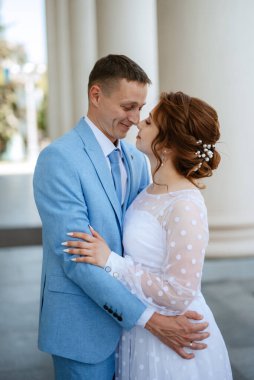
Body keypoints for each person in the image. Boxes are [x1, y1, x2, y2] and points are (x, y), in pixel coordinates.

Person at [33, 55, 209, 380]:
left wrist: (147, 321)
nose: (135, 118)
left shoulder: (137, 158)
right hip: (86, 331)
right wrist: (152, 321)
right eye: (128, 107)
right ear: (96, 95)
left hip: (137, 337)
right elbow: (77, 259)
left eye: (141, 109)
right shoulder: (58, 159)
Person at [64, 91, 233, 379]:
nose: (140, 122)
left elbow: (179, 293)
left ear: (166, 146)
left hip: (176, 340)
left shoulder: (185, 204)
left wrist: (111, 261)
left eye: (151, 121)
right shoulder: (149, 189)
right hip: (141, 332)